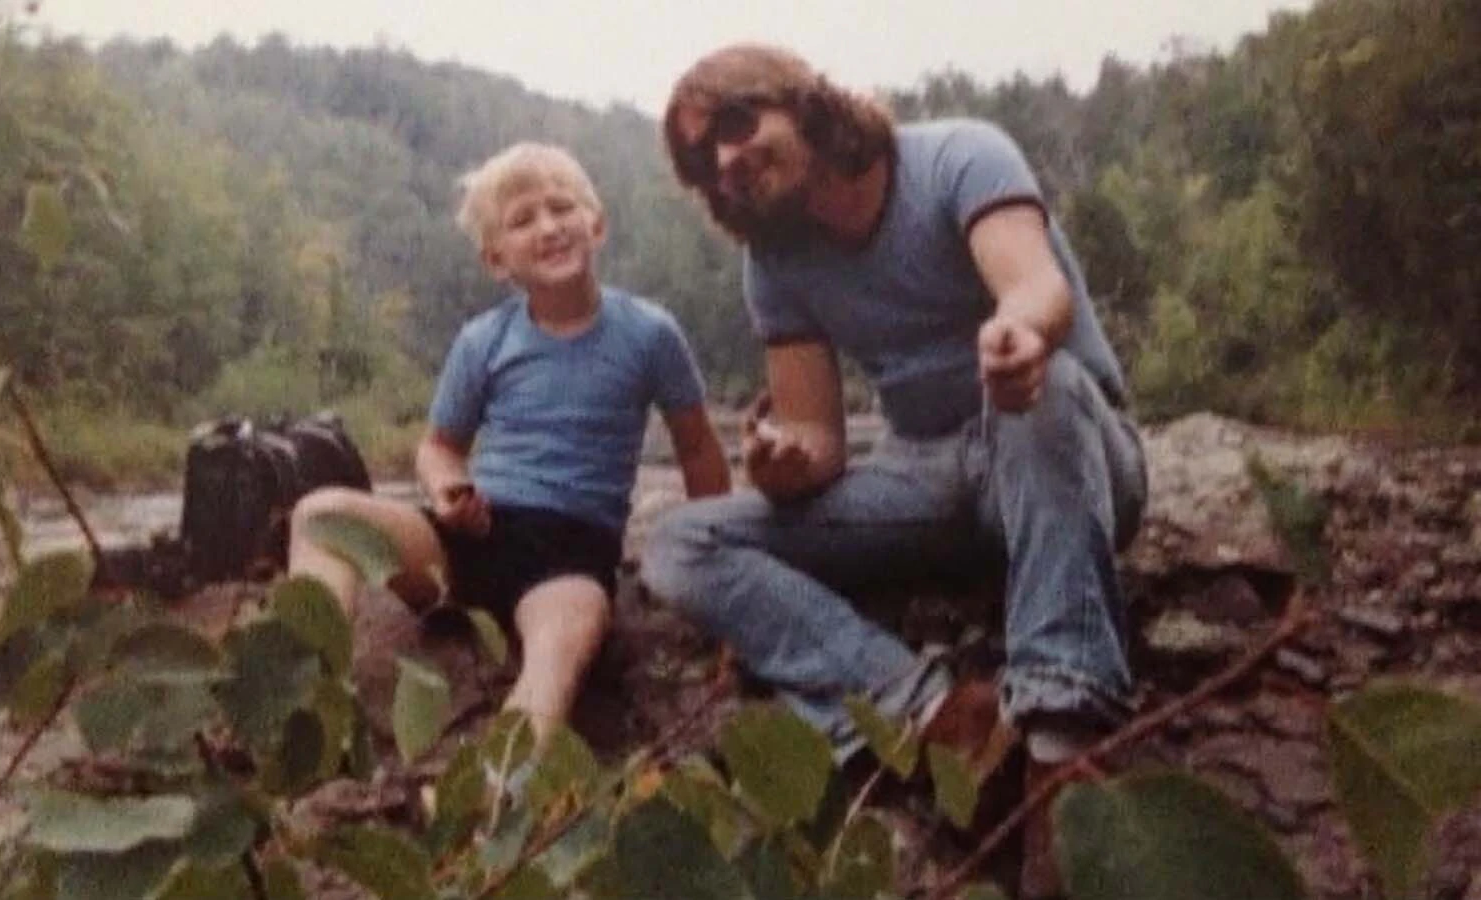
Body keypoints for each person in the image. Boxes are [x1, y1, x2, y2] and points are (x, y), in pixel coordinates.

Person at [640, 44, 1146, 897]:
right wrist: (779, 465)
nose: (725, 160)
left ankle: (1061, 749)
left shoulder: (957, 156)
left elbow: (1036, 290)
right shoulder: (774, 263)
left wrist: (1016, 336)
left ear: (801, 102)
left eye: (736, 123)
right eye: (703, 161)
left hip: (1063, 450)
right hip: (928, 479)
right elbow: (818, 440)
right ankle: (934, 715)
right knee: (681, 544)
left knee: (1046, 389)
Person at [288, 141, 731, 747]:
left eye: (561, 208)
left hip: (570, 558)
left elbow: (699, 451)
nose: (548, 227)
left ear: (595, 224)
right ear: (497, 260)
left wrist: (718, 559)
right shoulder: (484, 340)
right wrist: (447, 492)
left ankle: (496, 798)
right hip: (472, 536)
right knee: (320, 514)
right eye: (523, 220)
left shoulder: (650, 334)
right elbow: (439, 447)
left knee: (556, 655)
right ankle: (311, 707)